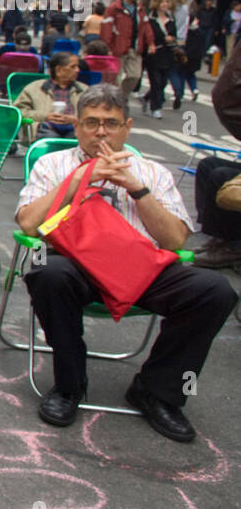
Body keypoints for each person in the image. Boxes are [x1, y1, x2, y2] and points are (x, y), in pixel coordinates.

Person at [15, 84, 235, 441]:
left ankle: (156, 391)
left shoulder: (151, 172)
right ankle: (70, 386)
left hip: (142, 269)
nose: (101, 131)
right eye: (91, 122)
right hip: (77, 268)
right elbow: (28, 224)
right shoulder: (53, 164)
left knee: (215, 291)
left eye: (111, 123)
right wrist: (79, 181)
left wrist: (136, 188)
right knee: (48, 272)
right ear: (76, 126)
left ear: (127, 127)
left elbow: (175, 241)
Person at [13, 51, 82, 140]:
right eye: (73, 67)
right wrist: (45, 116)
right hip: (45, 127)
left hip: (75, 129)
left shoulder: (84, 90)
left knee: (77, 139)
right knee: (50, 139)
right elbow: (17, 112)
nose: (78, 70)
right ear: (59, 70)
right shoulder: (34, 88)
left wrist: (75, 119)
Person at [138, 0, 174, 119]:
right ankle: (156, 108)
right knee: (155, 82)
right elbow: (147, 35)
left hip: (167, 54)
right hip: (154, 54)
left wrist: (171, 39)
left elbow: (174, 34)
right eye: (162, 2)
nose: (165, 4)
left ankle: (145, 97)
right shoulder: (150, 20)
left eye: (166, 2)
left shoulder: (171, 19)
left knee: (163, 82)